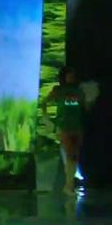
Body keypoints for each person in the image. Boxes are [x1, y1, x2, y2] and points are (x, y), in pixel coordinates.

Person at [42, 65, 85, 196]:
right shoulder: (59, 90)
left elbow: (83, 107)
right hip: (64, 126)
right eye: (69, 75)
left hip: (77, 126)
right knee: (70, 155)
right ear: (64, 76)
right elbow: (45, 102)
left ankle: (69, 185)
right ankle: (68, 186)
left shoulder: (78, 91)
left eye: (73, 75)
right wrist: (46, 118)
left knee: (75, 156)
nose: (71, 77)